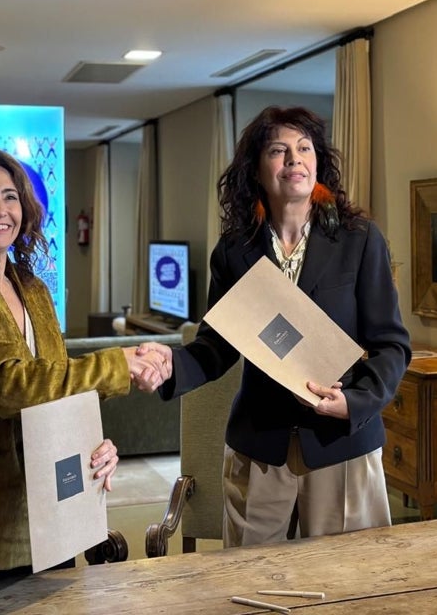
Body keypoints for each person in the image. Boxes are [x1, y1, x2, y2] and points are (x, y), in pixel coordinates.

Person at [140, 106, 410, 547]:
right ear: (257, 168)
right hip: (259, 446)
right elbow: (216, 347)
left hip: (341, 441)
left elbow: (391, 345)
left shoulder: (359, 240)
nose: (294, 160)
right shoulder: (234, 251)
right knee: (251, 588)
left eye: (304, 149)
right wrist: (170, 364)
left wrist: (355, 402)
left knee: (349, 587)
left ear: (318, 163)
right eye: (279, 150)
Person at [0, 147, 165, 587]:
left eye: (10, 197)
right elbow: (11, 386)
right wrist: (118, 363)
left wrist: (95, 444)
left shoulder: (33, 289)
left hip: (54, 514)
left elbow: (57, 385)